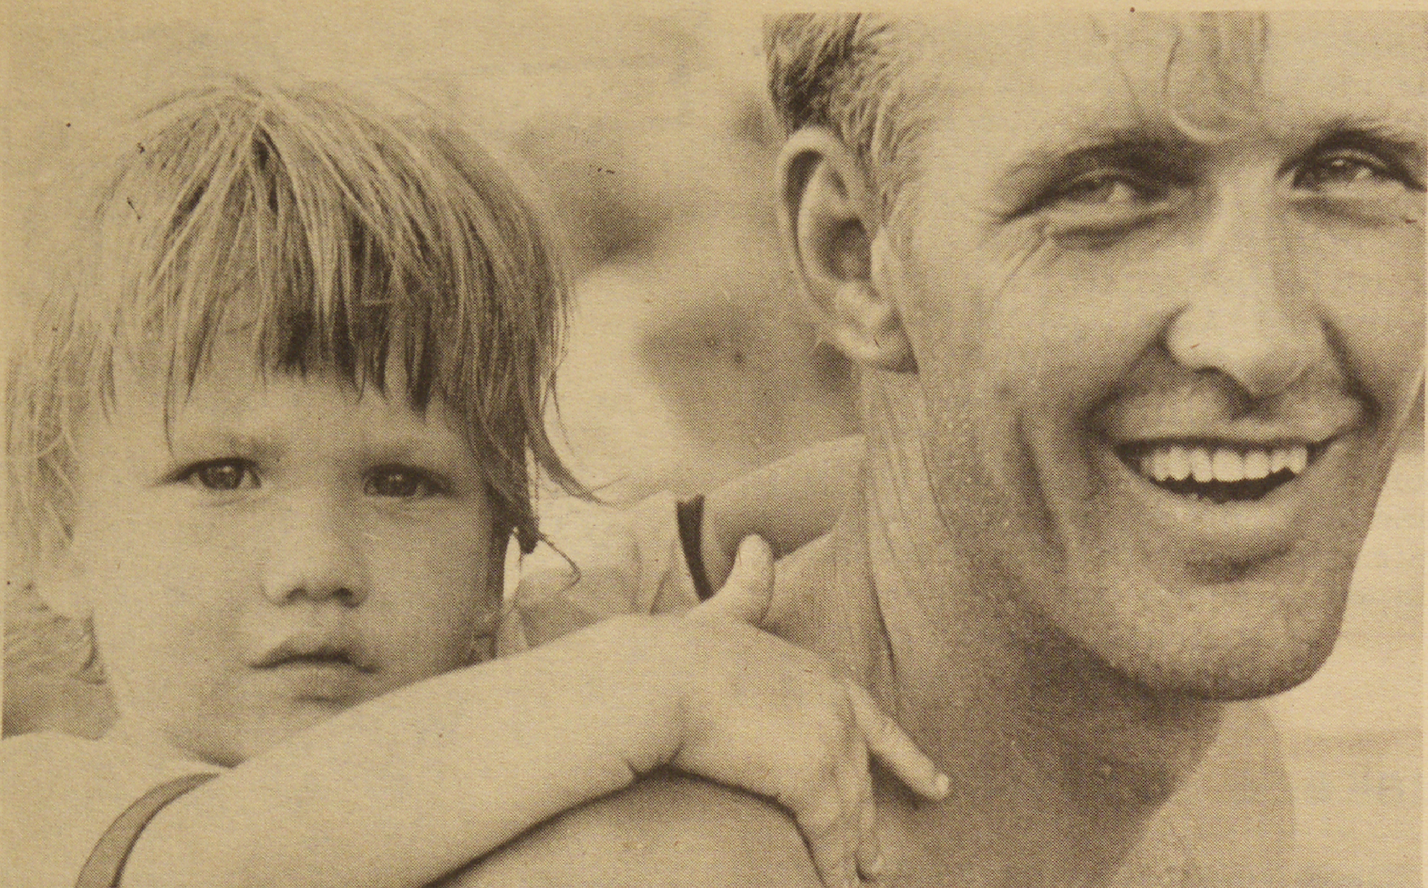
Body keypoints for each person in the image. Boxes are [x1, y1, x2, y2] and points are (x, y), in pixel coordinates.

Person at [456, 11, 1425, 886]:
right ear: (851, 255)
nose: (1261, 339)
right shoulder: (646, 865)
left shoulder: (1222, 770)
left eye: (1351, 170)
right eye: (1106, 188)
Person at [0, 79, 953, 888]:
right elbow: (228, 860)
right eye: (224, 474)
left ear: (504, 533)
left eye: (402, 483)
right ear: (56, 539)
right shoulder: (44, 807)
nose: (318, 564)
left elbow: (795, 512)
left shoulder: (512, 657)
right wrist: (657, 690)